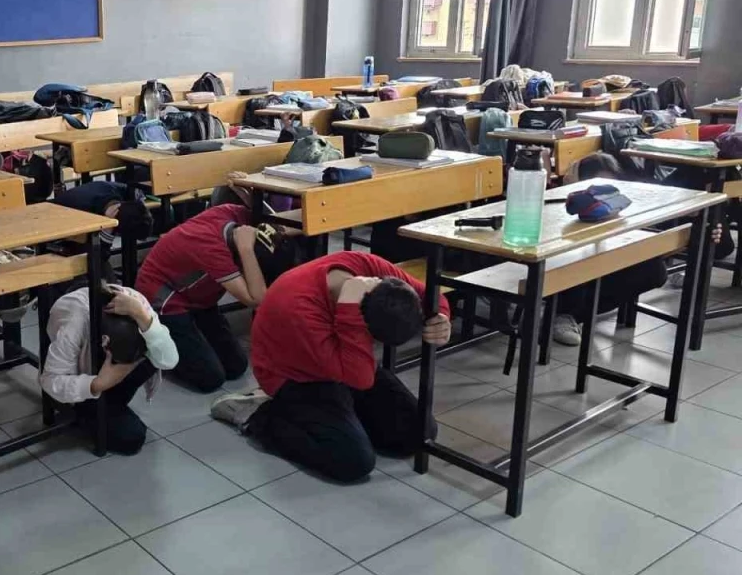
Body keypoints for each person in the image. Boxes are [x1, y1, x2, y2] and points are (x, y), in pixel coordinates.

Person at [213, 251, 451, 482]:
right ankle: (258, 415)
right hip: (294, 376)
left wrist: (441, 316)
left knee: (419, 433)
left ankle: (342, 418)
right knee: (353, 461)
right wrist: (349, 309)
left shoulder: (372, 268)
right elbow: (360, 379)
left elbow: (428, 294)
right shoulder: (299, 306)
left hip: (344, 360)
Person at [550, 152, 721, 344]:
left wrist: (698, 234)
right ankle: (559, 313)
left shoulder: (621, 205)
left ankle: (572, 314)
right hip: (570, 263)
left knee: (654, 271)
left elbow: (653, 237)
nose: (602, 198)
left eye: (608, 190)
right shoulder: (566, 204)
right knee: (576, 260)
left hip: (606, 261)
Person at [136, 205, 296, 392]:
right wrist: (246, 250)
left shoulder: (236, 214)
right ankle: (152, 345)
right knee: (210, 379)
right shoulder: (213, 249)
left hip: (200, 297)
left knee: (236, 366)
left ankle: (187, 334)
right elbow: (256, 300)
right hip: (165, 300)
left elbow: (284, 221)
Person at [41, 284, 178, 454]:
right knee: (131, 438)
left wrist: (141, 316)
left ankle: (111, 404)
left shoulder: (137, 304)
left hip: (109, 368)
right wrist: (96, 384)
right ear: (105, 345)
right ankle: (93, 409)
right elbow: (49, 380)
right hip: (87, 379)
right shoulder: (74, 325)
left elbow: (169, 360)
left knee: (157, 350)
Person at [53, 180, 153, 253]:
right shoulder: (83, 212)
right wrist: (107, 232)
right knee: (104, 271)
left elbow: (132, 189)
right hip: (57, 239)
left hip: (72, 234)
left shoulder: (114, 191)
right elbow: (95, 260)